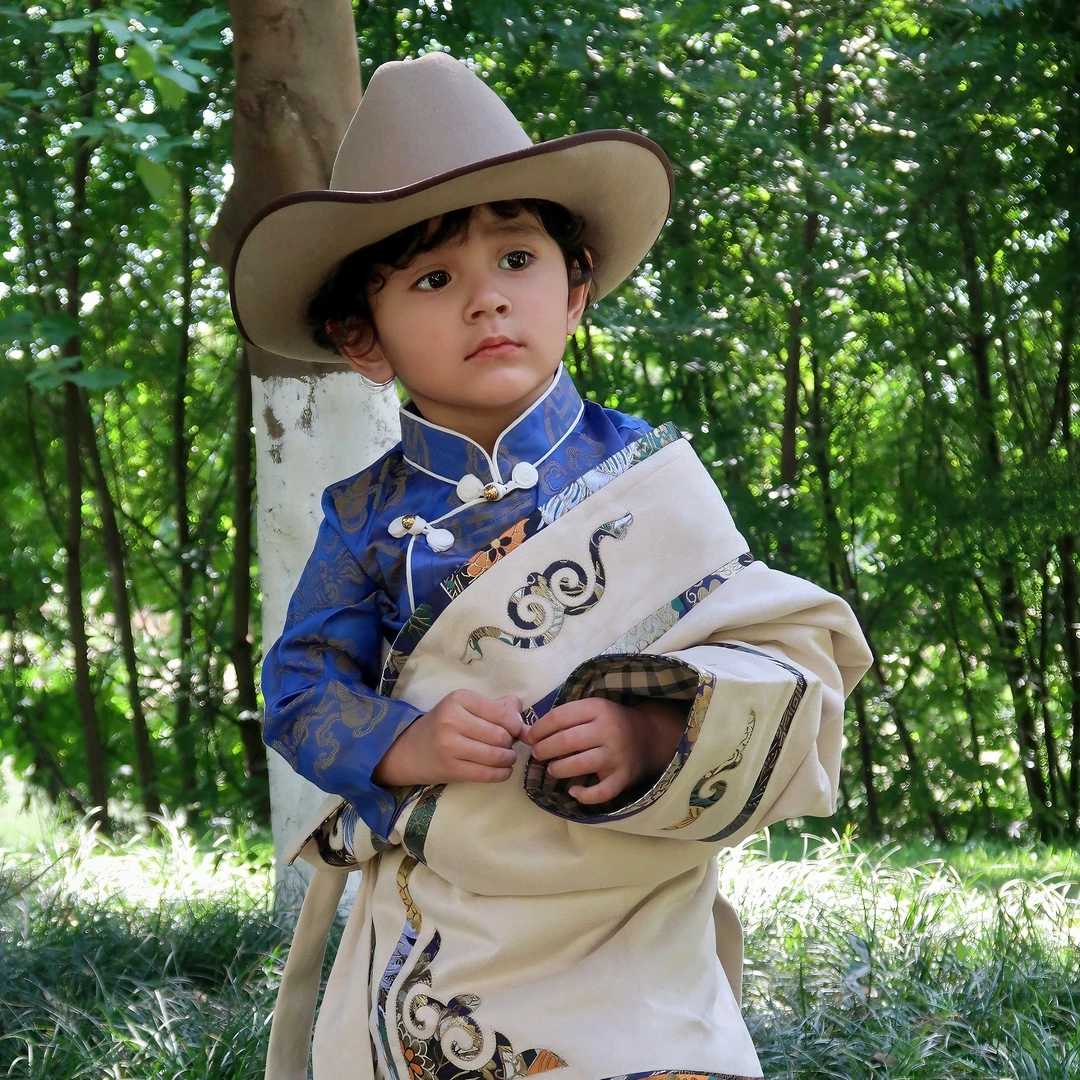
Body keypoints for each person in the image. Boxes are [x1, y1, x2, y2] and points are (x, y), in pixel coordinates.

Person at [231, 51, 873, 1080]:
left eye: (517, 262)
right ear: (364, 338)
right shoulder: (360, 521)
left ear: (577, 290)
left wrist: (650, 723)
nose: (487, 302)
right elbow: (300, 690)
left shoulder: (649, 471)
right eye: (434, 279)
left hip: (638, 935)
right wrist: (407, 743)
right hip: (451, 943)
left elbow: (773, 651)